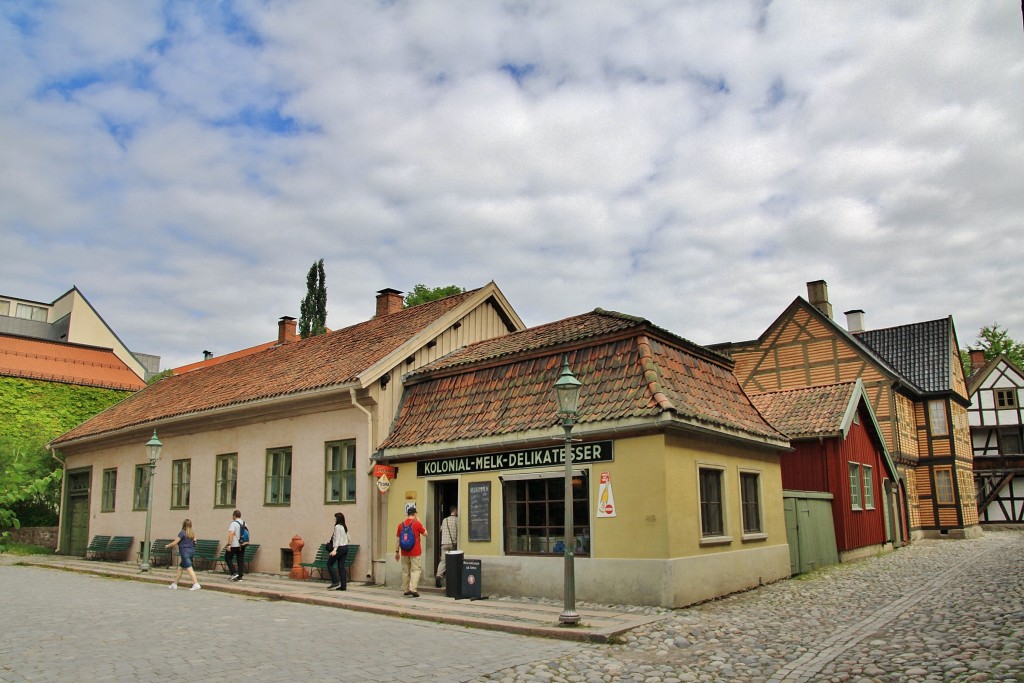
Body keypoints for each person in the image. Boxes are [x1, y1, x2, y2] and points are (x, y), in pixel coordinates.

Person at [395, 503, 427, 597]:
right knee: (415, 569)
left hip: (404, 551)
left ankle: (405, 589)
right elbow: (426, 533)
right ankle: (413, 589)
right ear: (415, 514)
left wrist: (397, 552)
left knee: (405, 570)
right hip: (415, 551)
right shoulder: (417, 524)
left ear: (407, 514)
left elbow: (397, 540)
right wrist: (420, 522)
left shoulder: (400, 525)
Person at [166, 519, 201, 591]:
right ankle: (175, 584)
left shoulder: (182, 533)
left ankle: (196, 583)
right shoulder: (192, 533)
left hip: (184, 553)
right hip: (191, 552)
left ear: (183, 525)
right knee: (180, 568)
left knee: (189, 568)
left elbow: (175, 542)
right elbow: (195, 541)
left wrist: (168, 546)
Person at [435, 505, 458, 588]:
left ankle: (439, 575)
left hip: (444, 543)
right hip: (452, 544)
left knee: (443, 561)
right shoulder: (457, 520)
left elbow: (440, 529)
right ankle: (452, 578)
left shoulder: (445, 520)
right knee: (453, 561)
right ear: (455, 511)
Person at [326, 512, 350, 591]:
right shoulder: (344, 527)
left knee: (329, 564)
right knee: (341, 567)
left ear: (337, 519)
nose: (334, 519)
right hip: (345, 548)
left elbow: (337, 539)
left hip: (339, 548)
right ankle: (343, 586)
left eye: (335, 518)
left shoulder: (337, 527)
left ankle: (335, 581)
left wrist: (335, 549)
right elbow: (348, 538)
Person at [226, 509, 244, 582]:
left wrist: (229, 544)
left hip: (234, 544)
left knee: (227, 558)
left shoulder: (234, 523)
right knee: (240, 560)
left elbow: (231, 534)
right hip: (242, 544)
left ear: (234, 516)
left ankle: (234, 573)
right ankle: (240, 576)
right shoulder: (244, 523)